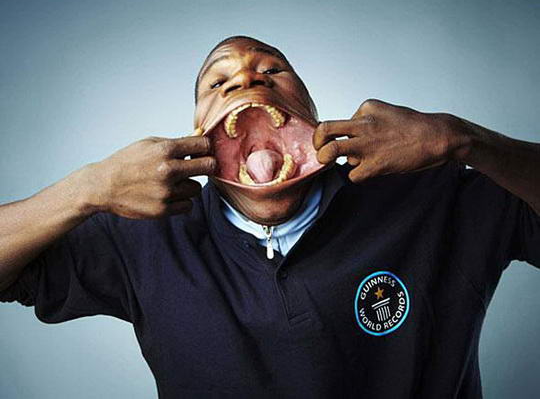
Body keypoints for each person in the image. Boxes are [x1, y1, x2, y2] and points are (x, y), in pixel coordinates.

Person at [0, 35, 538, 398]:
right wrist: (89, 187)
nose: (245, 80)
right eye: (218, 82)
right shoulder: (142, 234)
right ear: (199, 131)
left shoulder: (432, 195)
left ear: (310, 111)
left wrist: (461, 140)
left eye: (272, 70)